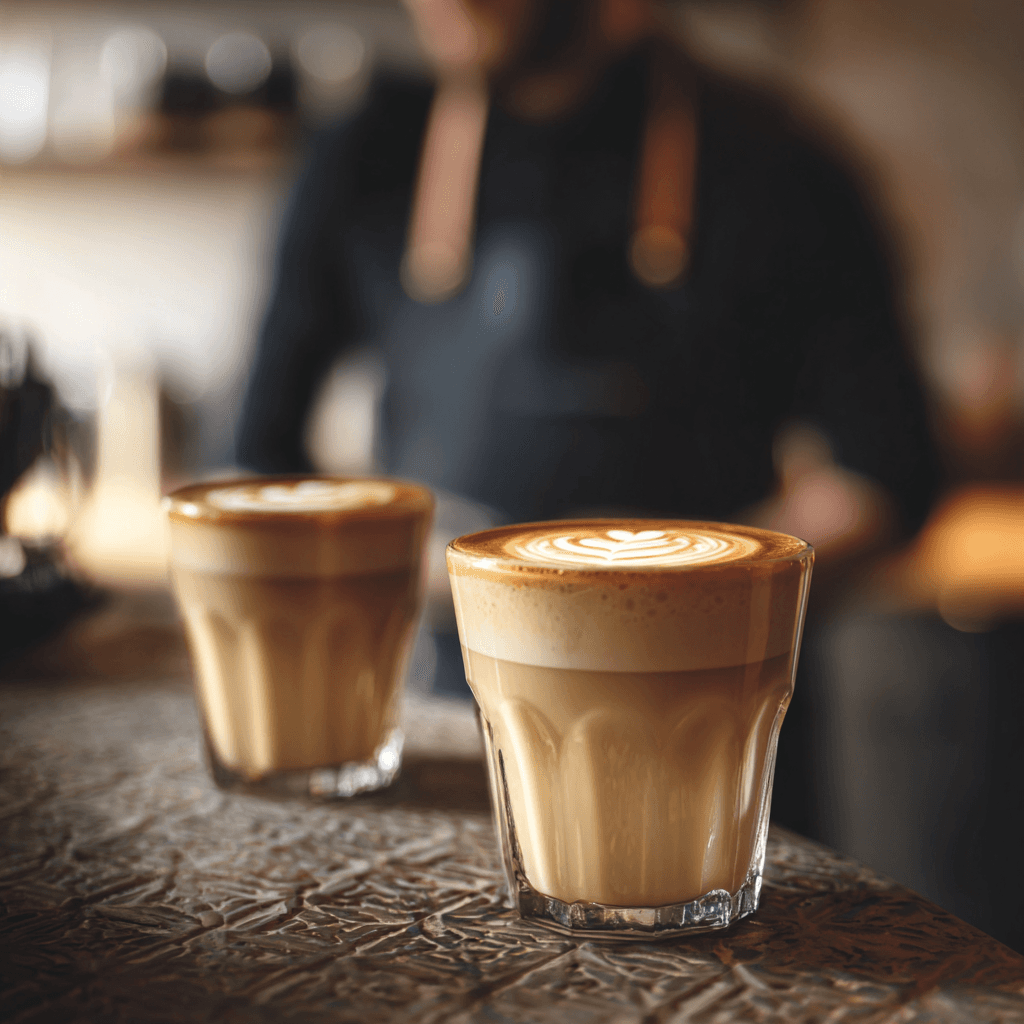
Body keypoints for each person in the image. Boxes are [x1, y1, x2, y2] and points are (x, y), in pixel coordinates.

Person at [236, 0, 940, 835]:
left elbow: (887, 471)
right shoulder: (367, 154)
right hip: (442, 734)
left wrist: (695, 596)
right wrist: (421, 573)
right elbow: (257, 460)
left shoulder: (778, 160)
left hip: (707, 737)